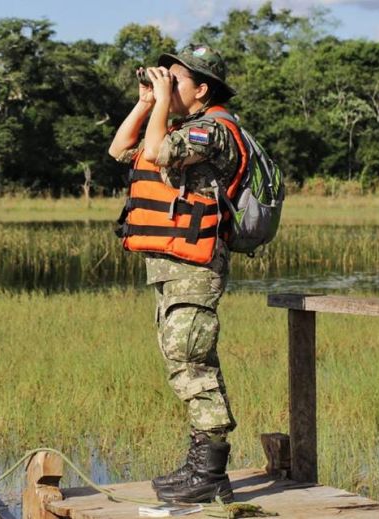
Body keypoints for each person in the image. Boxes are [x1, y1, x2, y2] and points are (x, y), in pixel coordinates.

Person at [108, 44, 243, 504]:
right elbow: (121, 148)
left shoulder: (214, 131)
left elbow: (159, 151)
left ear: (202, 90)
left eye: (176, 79)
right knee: (184, 357)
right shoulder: (179, 124)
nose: (165, 82)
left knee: (191, 356)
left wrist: (160, 102)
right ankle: (202, 467)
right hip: (172, 267)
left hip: (197, 266)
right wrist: (148, 100)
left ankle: (209, 473)